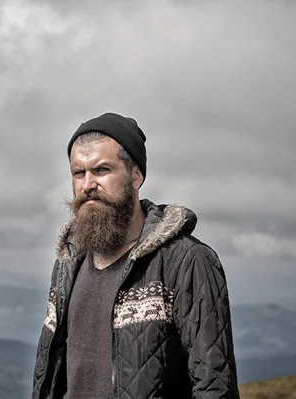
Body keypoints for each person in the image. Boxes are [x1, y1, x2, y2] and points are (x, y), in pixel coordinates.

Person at [31, 112, 239, 399]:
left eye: (102, 170)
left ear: (136, 175)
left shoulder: (186, 260)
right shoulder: (67, 263)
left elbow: (215, 386)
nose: (87, 184)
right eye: (79, 173)